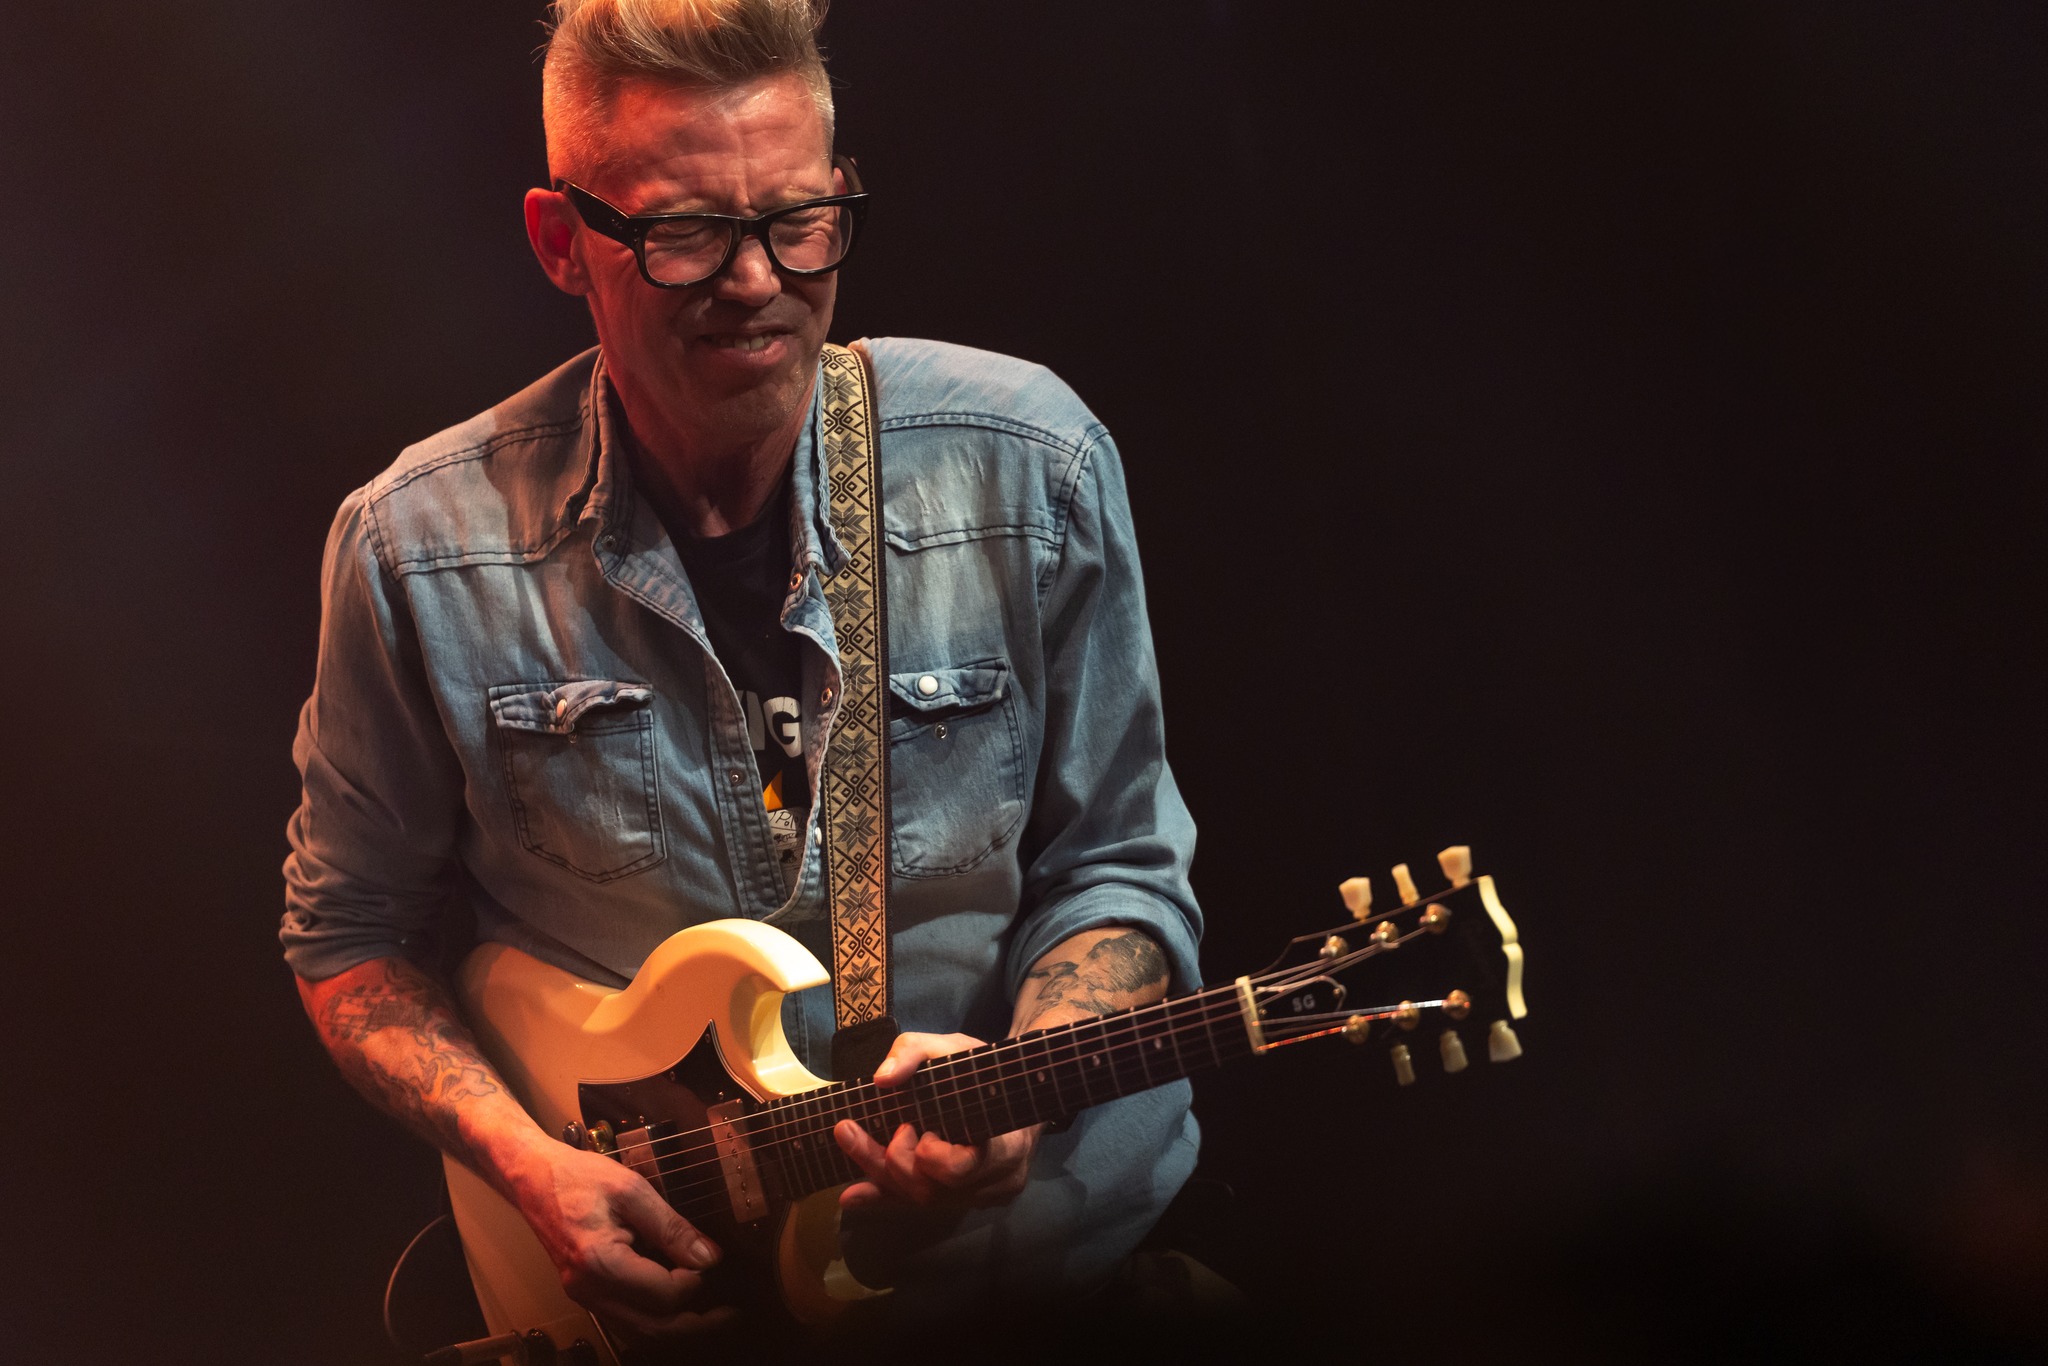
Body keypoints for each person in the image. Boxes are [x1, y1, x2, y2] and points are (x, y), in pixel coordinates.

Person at [281, 0, 1202, 1341]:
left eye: (798, 218)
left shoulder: (1030, 467)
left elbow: (1119, 867)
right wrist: (530, 1167)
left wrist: (1021, 1082)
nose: (758, 279)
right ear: (562, 242)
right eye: (686, 232)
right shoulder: (415, 550)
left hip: (1037, 1293)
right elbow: (350, 940)